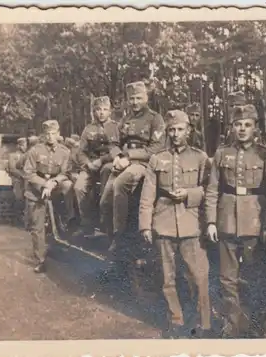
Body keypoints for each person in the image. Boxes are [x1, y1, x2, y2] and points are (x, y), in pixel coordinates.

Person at [205, 104, 266, 338]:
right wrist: (211, 222)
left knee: (254, 277)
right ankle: (231, 324)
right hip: (226, 221)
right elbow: (212, 190)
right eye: (238, 124)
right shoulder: (221, 154)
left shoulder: (265, 155)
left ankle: (256, 325)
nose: (242, 129)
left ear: (255, 127)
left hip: (254, 222)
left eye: (247, 125)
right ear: (232, 127)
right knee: (227, 278)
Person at [140, 109, 211, 338]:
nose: (176, 133)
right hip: (164, 222)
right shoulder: (156, 159)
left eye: (180, 129)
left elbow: (209, 190)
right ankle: (176, 320)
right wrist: (145, 225)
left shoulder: (200, 158)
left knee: (199, 277)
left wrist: (189, 194)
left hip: (191, 223)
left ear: (188, 130)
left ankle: (203, 324)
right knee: (167, 278)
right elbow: (147, 195)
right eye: (172, 129)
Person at [99, 81, 166, 274]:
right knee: (104, 201)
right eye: (132, 98)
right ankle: (111, 236)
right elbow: (113, 143)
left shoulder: (155, 119)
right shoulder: (124, 120)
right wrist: (119, 157)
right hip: (124, 162)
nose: (135, 102)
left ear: (146, 98)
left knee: (120, 183)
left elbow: (156, 148)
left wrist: (129, 157)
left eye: (139, 98)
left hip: (143, 164)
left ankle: (119, 238)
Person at [23, 120, 76, 273]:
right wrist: (43, 184)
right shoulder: (35, 151)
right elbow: (28, 173)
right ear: (43, 135)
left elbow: (65, 173)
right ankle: (40, 260)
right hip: (36, 190)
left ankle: (67, 224)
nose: (51, 137)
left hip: (55, 188)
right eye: (47, 134)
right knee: (37, 226)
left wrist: (52, 182)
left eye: (53, 134)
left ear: (58, 134)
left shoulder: (65, 152)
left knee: (68, 187)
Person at [73, 96, 120, 237]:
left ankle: (106, 225)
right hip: (91, 165)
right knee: (78, 187)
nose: (101, 112)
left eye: (105, 109)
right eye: (98, 109)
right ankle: (86, 224)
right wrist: (87, 163)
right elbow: (81, 152)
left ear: (110, 111)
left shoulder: (116, 128)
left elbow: (118, 150)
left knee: (107, 188)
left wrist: (102, 160)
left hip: (108, 164)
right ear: (94, 111)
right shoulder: (88, 129)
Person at [6, 137, 28, 224]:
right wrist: (22, 176)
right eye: (23, 145)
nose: (25, 147)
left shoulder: (27, 155)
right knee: (19, 198)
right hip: (17, 179)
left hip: (26, 179)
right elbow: (12, 169)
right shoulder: (12, 156)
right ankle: (16, 218)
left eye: (25, 145)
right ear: (19, 146)